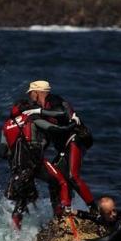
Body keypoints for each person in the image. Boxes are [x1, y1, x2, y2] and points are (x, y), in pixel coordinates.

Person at [0, 100, 75, 230]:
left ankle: (15, 235)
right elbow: (55, 129)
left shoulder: (6, 126)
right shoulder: (31, 119)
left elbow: (2, 152)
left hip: (19, 168)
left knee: (21, 201)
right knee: (61, 182)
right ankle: (64, 215)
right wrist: (72, 124)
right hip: (35, 162)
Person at [27, 80, 97, 213]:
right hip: (64, 148)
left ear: (36, 92)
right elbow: (47, 135)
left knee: (72, 176)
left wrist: (39, 111)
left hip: (75, 139)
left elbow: (61, 112)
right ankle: (61, 214)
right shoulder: (41, 109)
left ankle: (94, 210)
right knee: (56, 180)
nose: (30, 97)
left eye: (30, 93)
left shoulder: (54, 100)